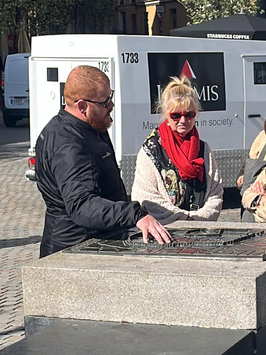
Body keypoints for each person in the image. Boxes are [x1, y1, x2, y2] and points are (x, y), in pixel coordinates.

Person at [35, 65, 171, 258]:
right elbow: (82, 205)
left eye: (110, 96)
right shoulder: (68, 143)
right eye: (105, 101)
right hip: (75, 251)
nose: (111, 105)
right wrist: (134, 214)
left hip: (97, 242)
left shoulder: (91, 125)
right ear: (82, 106)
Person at [131, 77, 223, 224]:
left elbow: (215, 193)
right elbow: (145, 197)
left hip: (201, 231)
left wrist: (198, 219)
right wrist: (184, 217)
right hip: (164, 231)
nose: (183, 120)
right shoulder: (151, 151)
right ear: (166, 114)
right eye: (176, 115)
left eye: (189, 115)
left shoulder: (204, 149)